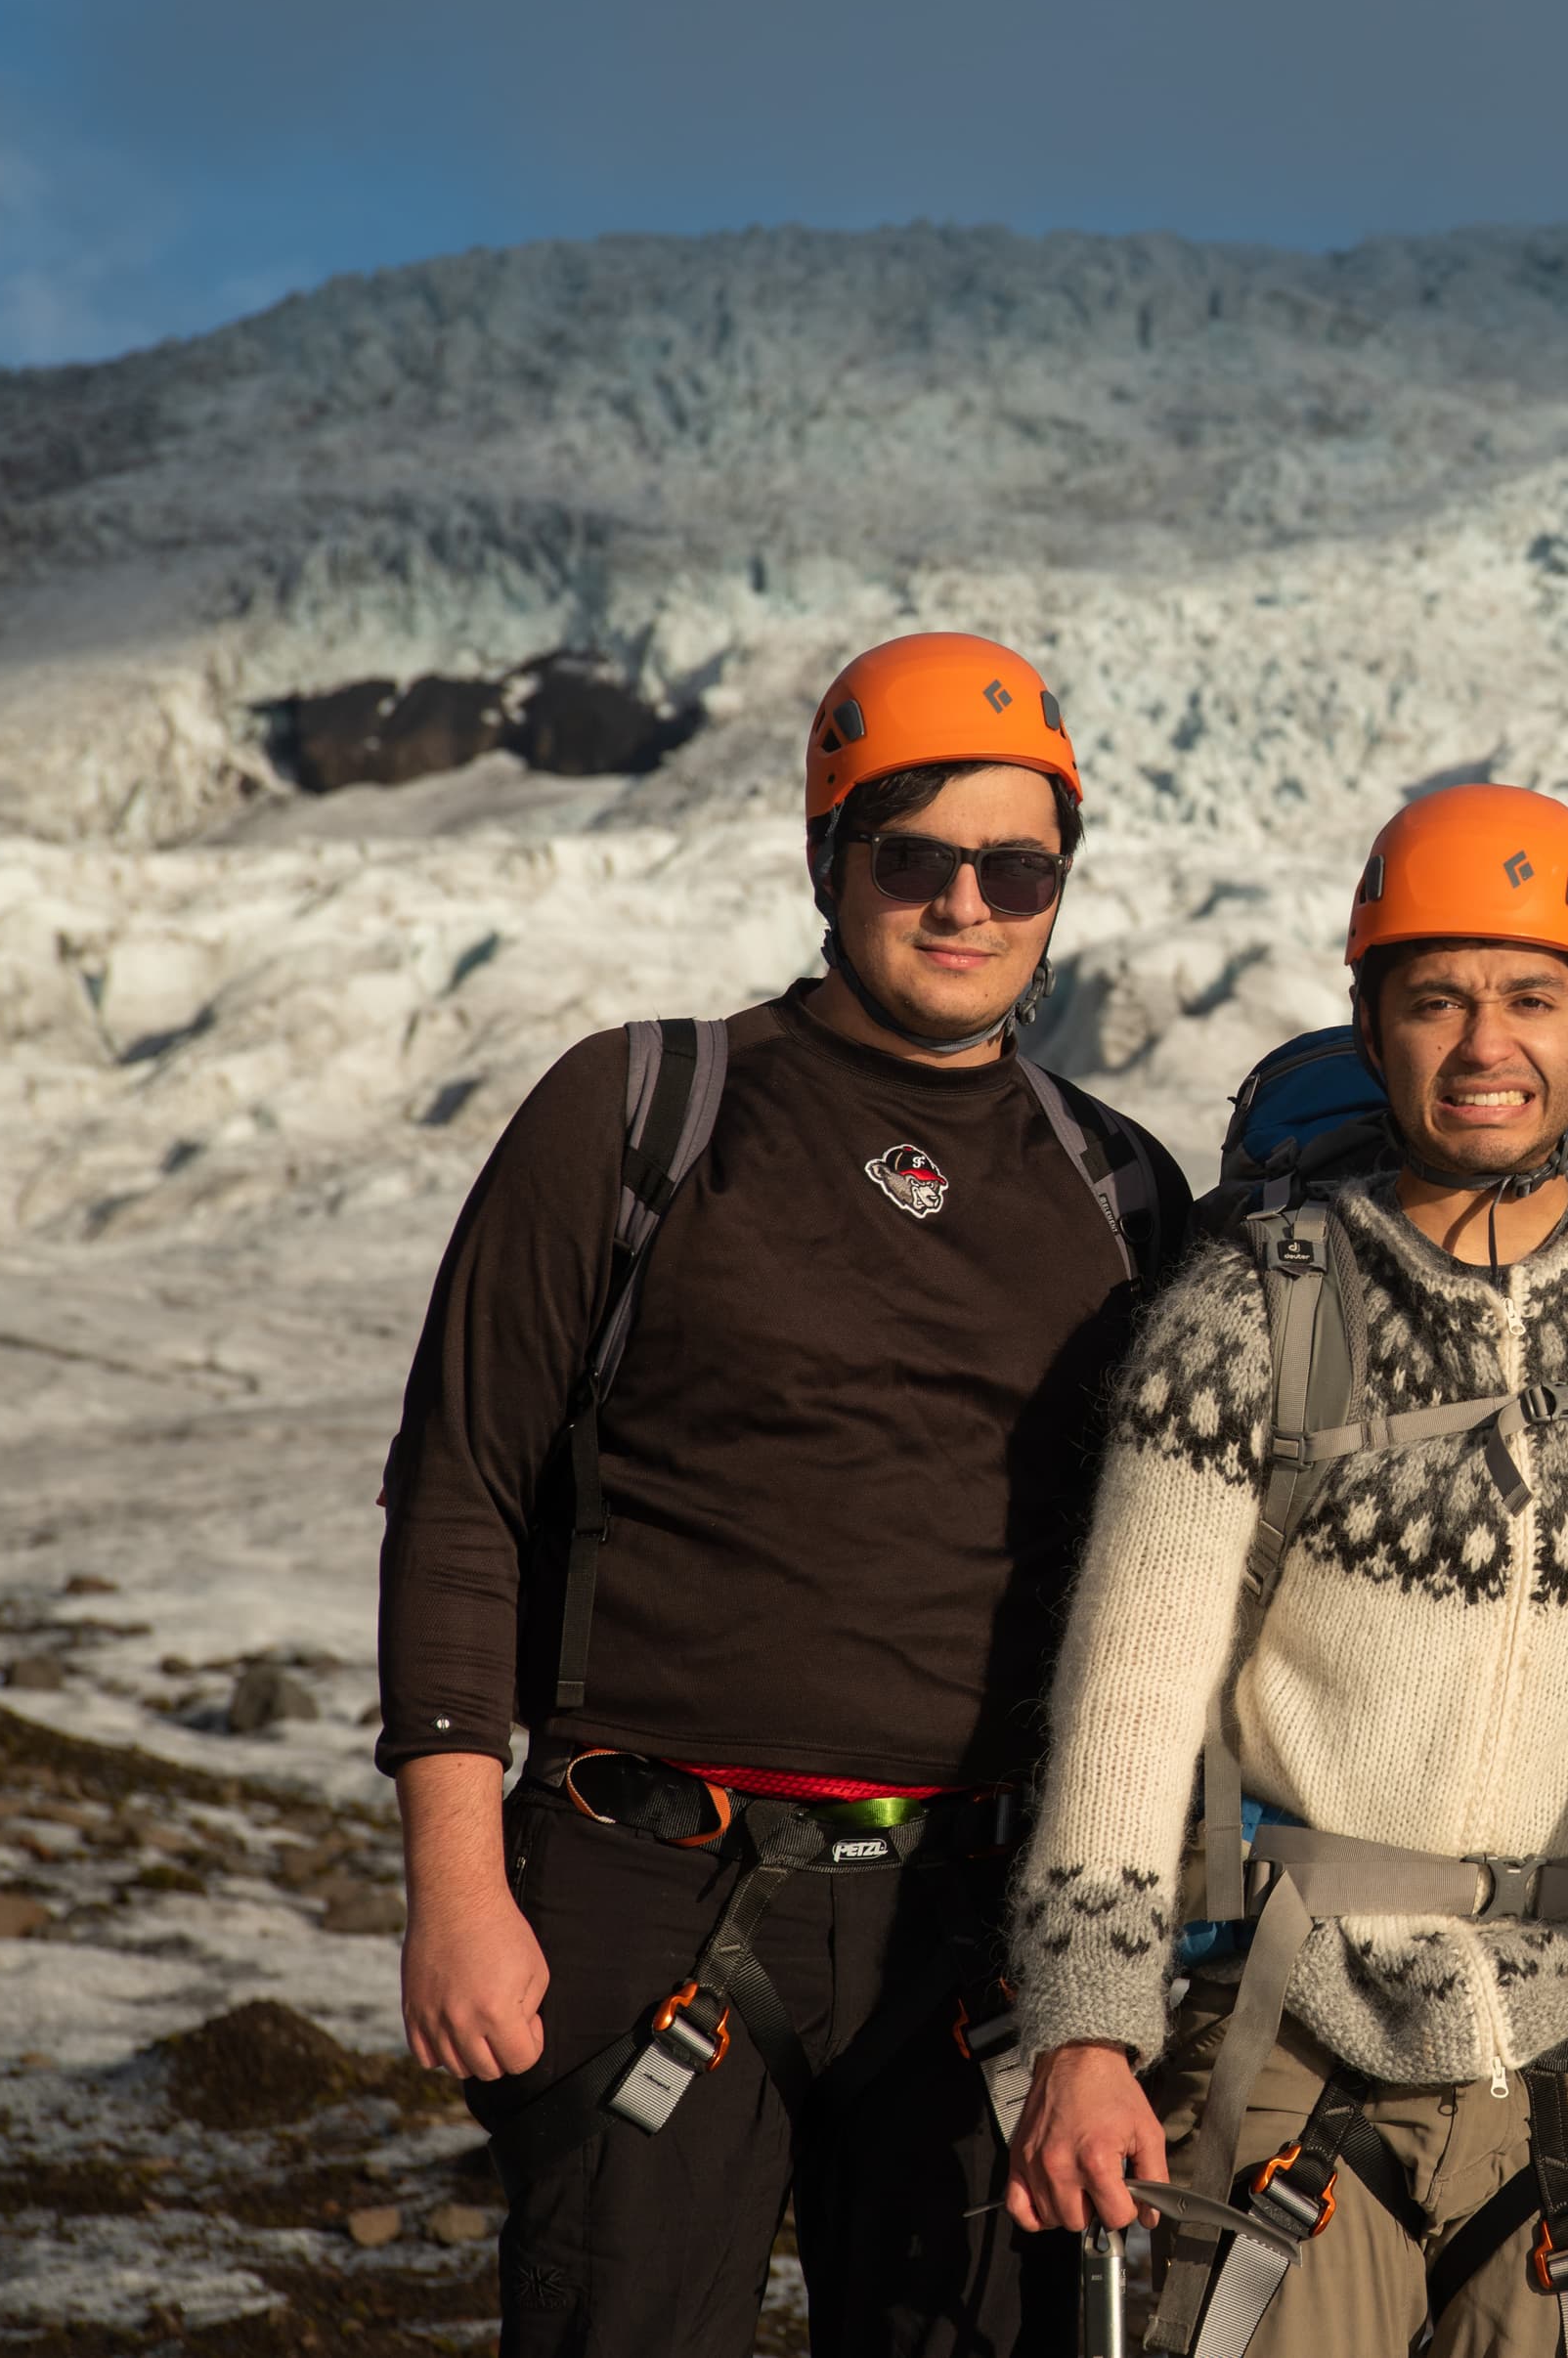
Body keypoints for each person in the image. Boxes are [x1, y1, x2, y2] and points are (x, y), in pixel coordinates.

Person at [377, 631, 1186, 2358]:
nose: (965, 904)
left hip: (972, 1938)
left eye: (1018, 869)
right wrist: (455, 1880)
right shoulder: (641, 1113)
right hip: (645, 1897)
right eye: (914, 857)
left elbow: (1169, 1596)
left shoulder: (1120, 1190)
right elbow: (461, 1492)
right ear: (828, 858)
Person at [1002, 783, 1568, 2358]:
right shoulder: (1247, 1314)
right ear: (1371, 1024)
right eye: (1437, 1000)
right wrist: (1087, 2030)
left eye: (1531, 998)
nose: (1487, 1044)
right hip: (1290, 2039)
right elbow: (1131, 1705)